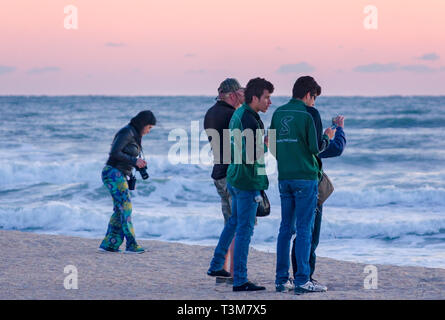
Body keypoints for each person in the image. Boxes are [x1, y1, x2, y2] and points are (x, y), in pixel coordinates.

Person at [207, 77, 274, 292]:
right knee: (244, 229)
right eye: (267, 97)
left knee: (234, 222)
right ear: (254, 98)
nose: (269, 102)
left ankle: (218, 264)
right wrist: (265, 145)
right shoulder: (248, 119)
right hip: (245, 179)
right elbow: (250, 154)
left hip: (233, 175)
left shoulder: (236, 114)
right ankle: (240, 279)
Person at [269, 76, 334, 294]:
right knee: (305, 229)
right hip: (305, 178)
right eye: (314, 98)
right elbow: (316, 148)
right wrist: (328, 136)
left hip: (284, 176)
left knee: (285, 229)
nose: (314, 102)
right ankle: (303, 279)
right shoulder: (309, 113)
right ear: (308, 94)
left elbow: (273, 147)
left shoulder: (278, 113)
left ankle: (281, 279)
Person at [290, 115, 346, 290]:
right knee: (310, 236)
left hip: (290, 183)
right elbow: (337, 148)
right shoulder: (312, 142)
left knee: (298, 233)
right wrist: (339, 129)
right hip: (309, 188)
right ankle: (305, 276)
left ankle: (297, 274)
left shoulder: (290, 139)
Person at [204, 78, 245, 282]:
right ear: (231, 95)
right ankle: (232, 272)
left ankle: (223, 270)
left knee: (230, 222)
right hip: (231, 174)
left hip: (219, 172)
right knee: (238, 224)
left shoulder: (211, 112)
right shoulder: (231, 115)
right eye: (239, 93)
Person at [98, 110, 156, 254]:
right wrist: (134, 160)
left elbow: (125, 155)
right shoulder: (127, 132)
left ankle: (110, 244)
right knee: (126, 208)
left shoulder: (134, 135)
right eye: (149, 127)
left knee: (120, 210)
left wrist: (136, 165)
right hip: (113, 173)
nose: (149, 131)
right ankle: (131, 244)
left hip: (120, 174)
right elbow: (114, 153)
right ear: (142, 124)